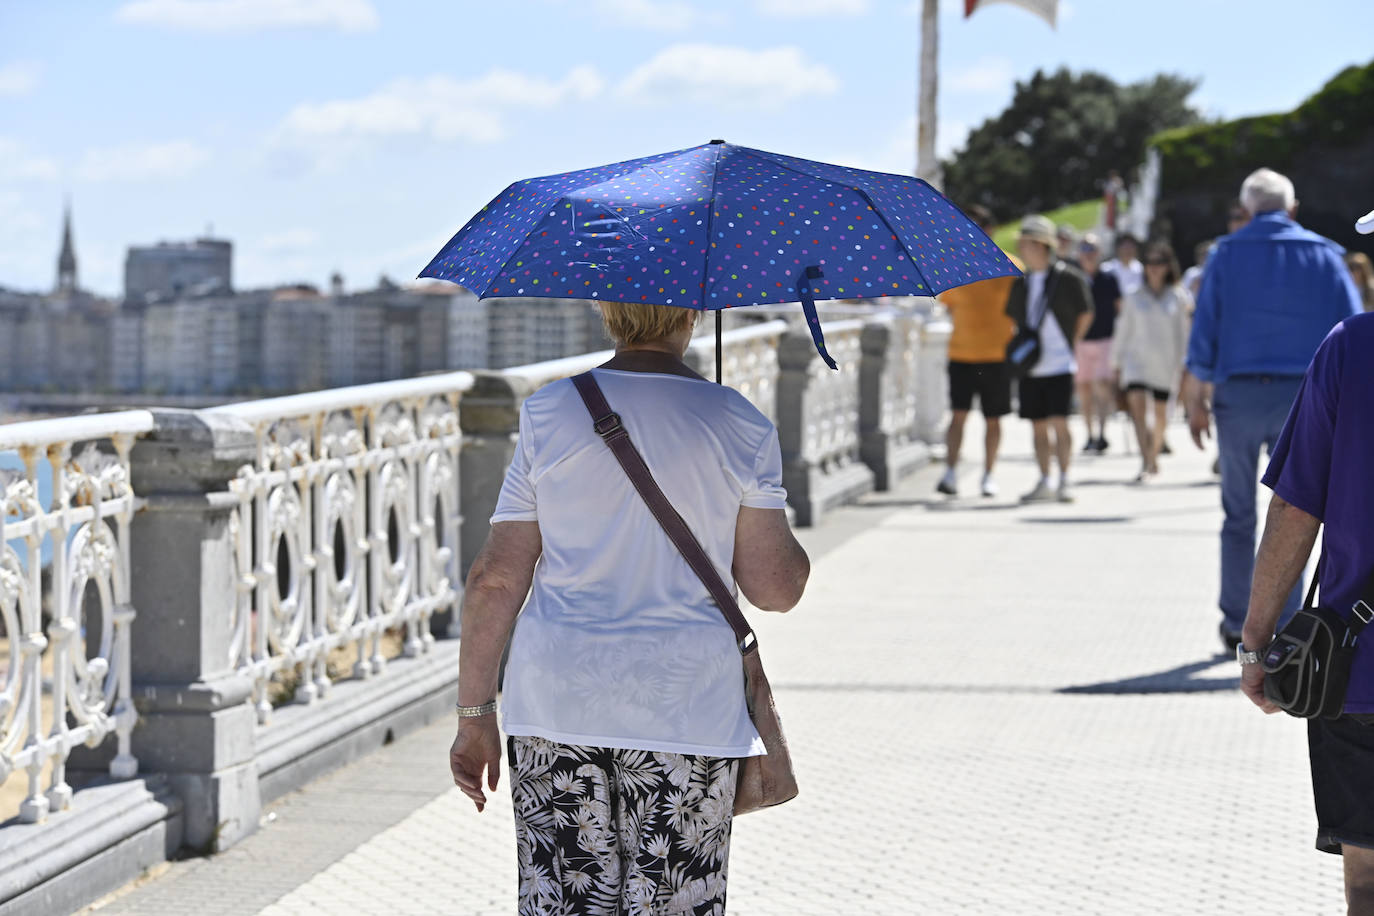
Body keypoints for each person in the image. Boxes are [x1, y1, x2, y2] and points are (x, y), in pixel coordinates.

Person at [448, 299, 811, 915]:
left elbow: (494, 579)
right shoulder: (740, 422)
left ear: (606, 311)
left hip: (556, 703)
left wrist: (475, 712)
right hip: (686, 709)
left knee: (566, 901)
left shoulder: (550, 411)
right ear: (693, 313)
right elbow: (776, 589)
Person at [1183, 167, 1362, 650]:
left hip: (1238, 396)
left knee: (1236, 512)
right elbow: (1353, 331)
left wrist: (1194, 393)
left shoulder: (1224, 254)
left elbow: (1205, 327)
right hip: (1303, 397)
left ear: (1245, 209)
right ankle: (1286, 620)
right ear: (1294, 208)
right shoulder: (1325, 254)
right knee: (1299, 507)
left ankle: (1235, 619)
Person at [1238, 309, 1374, 913]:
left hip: (1360, 666)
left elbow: (1296, 511)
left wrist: (1256, 640)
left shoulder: (1353, 347)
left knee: (1368, 880)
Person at [1005, 214, 1094, 503]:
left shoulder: (1067, 277)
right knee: (1038, 425)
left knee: (1060, 423)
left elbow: (1086, 312)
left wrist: (1072, 343)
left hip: (1059, 363)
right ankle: (1044, 479)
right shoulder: (1021, 281)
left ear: (1043, 245)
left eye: (1028, 244)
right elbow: (1011, 317)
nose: (1023, 250)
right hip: (1032, 365)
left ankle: (1065, 479)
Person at [936, 204, 1018, 498]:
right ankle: (950, 472)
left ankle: (988, 474)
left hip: (997, 354)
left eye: (977, 225)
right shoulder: (954, 265)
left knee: (993, 419)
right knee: (958, 416)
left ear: (990, 230)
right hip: (961, 352)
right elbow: (946, 304)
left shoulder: (1009, 265)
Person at [1111, 241, 1191, 482]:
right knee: (1137, 411)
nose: (1154, 268)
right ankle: (1146, 460)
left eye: (1160, 263)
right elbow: (1123, 330)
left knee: (1160, 417)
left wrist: (1186, 366)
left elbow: (1184, 334)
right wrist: (1115, 362)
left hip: (1165, 367)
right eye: (1150, 263)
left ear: (1168, 266)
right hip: (1136, 364)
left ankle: (1154, 454)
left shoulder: (1178, 297)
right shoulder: (1134, 296)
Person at [1073, 233, 1122, 454]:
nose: (1089, 255)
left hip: (1105, 339)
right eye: (1084, 250)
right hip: (1080, 341)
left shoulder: (1109, 279)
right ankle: (1089, 434)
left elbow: (1119, 308)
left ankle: (1102, 432)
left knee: (1102, 386)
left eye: (1092, 250)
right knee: (1084, 390)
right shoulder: (1073, 278)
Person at [1101, 233, 1143, 299]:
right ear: (1118, 248)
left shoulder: (1142, 270)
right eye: (1125, 247)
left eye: (1131, 247)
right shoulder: (1106, 269)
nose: (1128, 250)